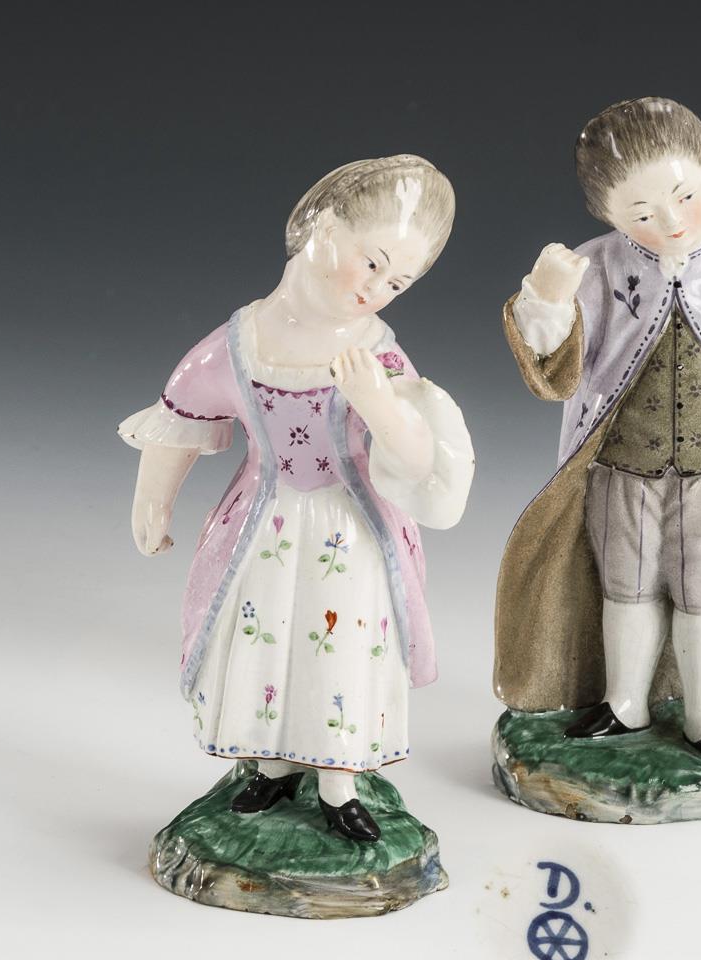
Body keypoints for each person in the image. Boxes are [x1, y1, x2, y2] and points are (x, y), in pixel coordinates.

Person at [120, 156, 474, 841]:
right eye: (371, 263)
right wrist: (152, 503)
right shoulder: (238, 344)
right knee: (266, 639)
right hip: (265, 524)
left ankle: (339, 783)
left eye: (396, 282)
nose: (376, 289)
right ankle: (273, 765)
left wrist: (377, 402)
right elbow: (183, 418)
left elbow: (419, 457)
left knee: (339, 648)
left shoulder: (377, 354)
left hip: (351, 530)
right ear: (322, 226)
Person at [495, 98, 701, 770]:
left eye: (685, 197)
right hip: (622, 464)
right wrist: (547, 298)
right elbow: (555, 368)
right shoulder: (595, 268)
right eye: (642, 214)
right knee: (626, 587)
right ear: (607, 214)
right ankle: (625, 703)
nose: (671, 222)